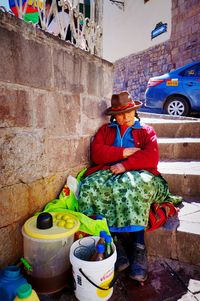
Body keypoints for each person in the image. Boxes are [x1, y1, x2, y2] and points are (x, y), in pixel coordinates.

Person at [78, 91, 182, 282]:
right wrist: (125, 152)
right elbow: (97, 153)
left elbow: (150, 157)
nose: (125, 117)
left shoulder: (146, 131)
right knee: (90, 186)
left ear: (135, 111)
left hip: (141, 173)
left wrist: (125, 164)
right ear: (114, 115)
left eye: (129, 112)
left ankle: (139, 245)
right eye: (120, 113)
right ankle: (114, 242)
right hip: (110, 171)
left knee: (133, 188)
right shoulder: (106, 130)